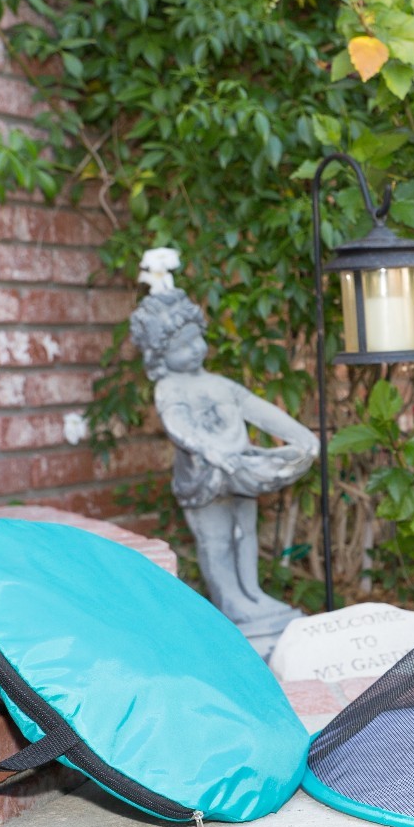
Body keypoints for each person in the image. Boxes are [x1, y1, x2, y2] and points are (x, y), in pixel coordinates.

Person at [129, 274, 317, 654]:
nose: (194, 350)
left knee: (245, 533)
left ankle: (253, 593)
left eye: (196, 339)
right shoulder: (170, 388)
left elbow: (257, 410)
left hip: (241, 471)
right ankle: (231, 602)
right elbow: (178, 427)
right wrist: (212, 451)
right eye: (180, 346)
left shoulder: (219, 383)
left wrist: (301, 435)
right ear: (159, 355)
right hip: (205, 480)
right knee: (215, 539)